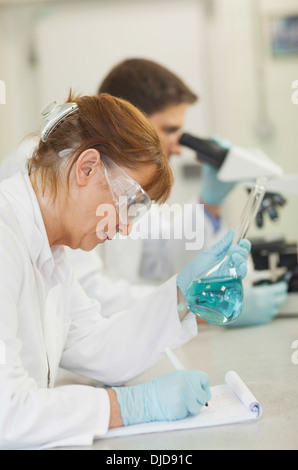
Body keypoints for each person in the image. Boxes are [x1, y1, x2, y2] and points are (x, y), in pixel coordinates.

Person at [0, 91, 251, 448]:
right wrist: (132, 406)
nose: (127, 227)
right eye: (130, 203)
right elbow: (7, 412)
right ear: (86, 167)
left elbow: (99, 348)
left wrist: (185, 293)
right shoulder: (4, 236)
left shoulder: (52, 253)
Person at [97, 58, 288, 327]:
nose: (177, 148)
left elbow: (163, 260)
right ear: (129, 124)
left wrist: (209, 203)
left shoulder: (131, 192)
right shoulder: (81, 188)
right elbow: (94, 299)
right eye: (169, 131)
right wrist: (195, 307)